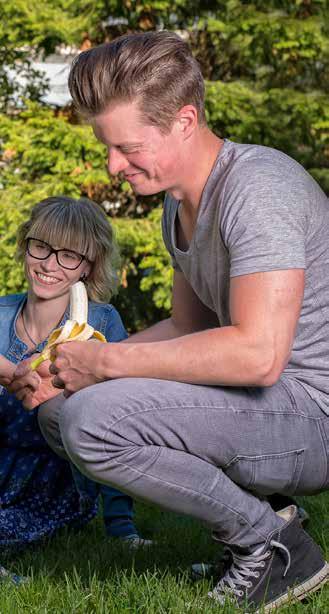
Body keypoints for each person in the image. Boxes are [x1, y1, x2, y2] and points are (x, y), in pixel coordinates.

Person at [12, 31, 329, 610]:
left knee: (91, 423)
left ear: (185, 120)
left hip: (314, 409)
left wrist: (107, 363)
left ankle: (271, 545)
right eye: (108, 146)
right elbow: (187, 327)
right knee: (62, 409)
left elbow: (259, 355)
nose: (113, 165)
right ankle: (261, 521)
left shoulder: (258, 189)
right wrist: (64, 367)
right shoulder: (178, 204)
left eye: (130, 147)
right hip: (269, 401)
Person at [0, 196, 151, 581]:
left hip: (56, 482)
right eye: (41, 247)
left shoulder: (102, 324)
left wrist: (122, 527)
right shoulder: (1, 313)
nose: (49, 264)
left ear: (88, 266)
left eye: (69, 256)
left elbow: (117, 427)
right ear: (25, 244)